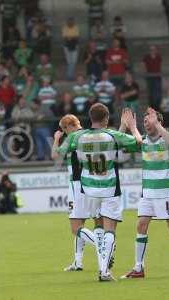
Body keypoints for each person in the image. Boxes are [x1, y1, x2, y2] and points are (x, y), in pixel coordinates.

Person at [55, 104, 142, 281]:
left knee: (98, 227)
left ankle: (101, 267)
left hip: (88, 190)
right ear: (107, 118)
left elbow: (60, 152)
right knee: (109, 228)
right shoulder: (112, 135)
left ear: (90, 117)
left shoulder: (77, 136)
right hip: (109, 188)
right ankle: (104, 271)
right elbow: (138, 143)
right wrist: (131, 126)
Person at [121, 107, 169, 279]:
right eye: (144, 121)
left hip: (166, 191)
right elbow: (122, 144)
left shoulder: (167, 139)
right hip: (148, 192)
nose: (146, 124)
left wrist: (156, 125)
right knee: (141, 225)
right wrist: (125, 126)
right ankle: (138, 268)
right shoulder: (143, 141)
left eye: (149, 121)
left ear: (158, 122)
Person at [52, 114, 107, 272]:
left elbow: (55, 155)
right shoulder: (90, 134)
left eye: (63, 130)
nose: (64, 133)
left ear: (68, 127)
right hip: (92, 182)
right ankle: (78, 262)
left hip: (77, 185)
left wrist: (56, 139)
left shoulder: (73, 136)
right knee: (90, 223)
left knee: (76, 228)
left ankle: (104, 247)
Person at [142, 45, 162, 110]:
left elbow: (159, 65)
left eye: (154, 49)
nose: (152, 51)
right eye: (151, 50)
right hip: (149, 77)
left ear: (156, 50)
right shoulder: (146, 57)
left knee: (158, 94)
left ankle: (157, 107)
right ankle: (152, 108)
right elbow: (143, 65)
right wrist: (146, 73)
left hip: (157, 77)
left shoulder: (158, 57)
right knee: (151, 93)